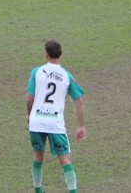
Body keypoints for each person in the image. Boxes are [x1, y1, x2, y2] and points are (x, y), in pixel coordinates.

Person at [26, 40, 86, 193]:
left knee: (38, 156)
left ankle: (38, 190)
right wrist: (81, 125)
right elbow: (79, 101)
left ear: (46, 54)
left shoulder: (36, 72)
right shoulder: (66, 76)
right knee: (65, 159)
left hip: (37, 121)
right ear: (61, 54)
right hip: (55, 123)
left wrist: (29, 116)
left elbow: (29, 98)